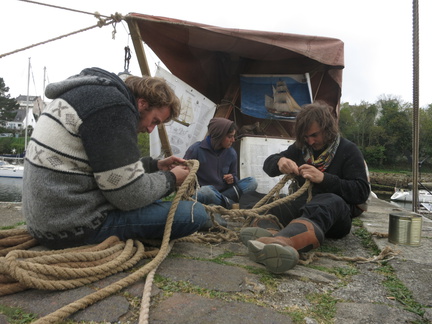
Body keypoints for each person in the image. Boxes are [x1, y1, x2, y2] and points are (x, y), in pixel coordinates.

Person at [22, 67, 209, 249]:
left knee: (167, 206)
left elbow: (100, 166)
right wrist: (172, 178)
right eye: (154, 121)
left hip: (46, 221)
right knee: (194, 214)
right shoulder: (114, 109)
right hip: (72, 226)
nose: (151, 129)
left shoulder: (90, 95)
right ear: (142, 103)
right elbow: (129, 196)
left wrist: (154, 166)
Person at [240, 101, 371, 274]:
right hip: (303, 207)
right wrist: (280, 161)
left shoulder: (348, 150)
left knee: (329, 200)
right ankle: (270, 235)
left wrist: (324, 178)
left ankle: (284, 243)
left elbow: (361, 191)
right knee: (264, 201)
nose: (310, 141)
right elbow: (268, 164)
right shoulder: (302, 148)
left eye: (314, 135)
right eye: (306, 137)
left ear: (327, 129)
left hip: (335, 215)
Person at [184, 117, 258, 209]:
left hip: (225, 193)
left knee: (252, 182)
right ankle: (230, 205)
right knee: (206, 191)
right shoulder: (195, 150)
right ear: (219, 136)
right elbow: (184, 178)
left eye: (233, 136)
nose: (233, 140)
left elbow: (234, 176)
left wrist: (232, 179)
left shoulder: (231, 153)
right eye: (230, 137)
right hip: (205, 193)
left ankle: (221, 203)